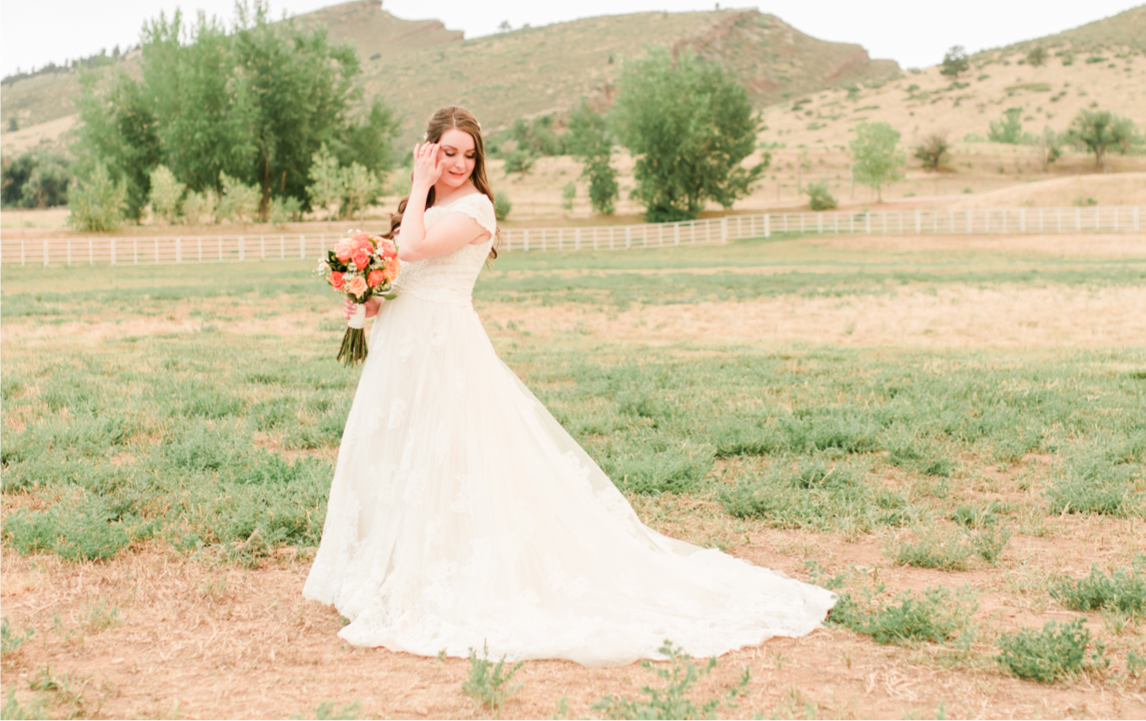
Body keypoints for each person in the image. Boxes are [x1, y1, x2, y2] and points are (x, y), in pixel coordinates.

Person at [303, 106, 834, 666]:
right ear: (430, 147)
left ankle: (449, 575)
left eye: (468, 154)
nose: (459, 163)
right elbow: (404, 278)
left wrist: (418, 183)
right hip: (402, 352)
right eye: (449, 152)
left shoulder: (475, 208)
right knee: (402, 456)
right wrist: (367, 301)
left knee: (450, 456)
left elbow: (410, 249)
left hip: (445, 349)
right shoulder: (426, 206)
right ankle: (393, 569)